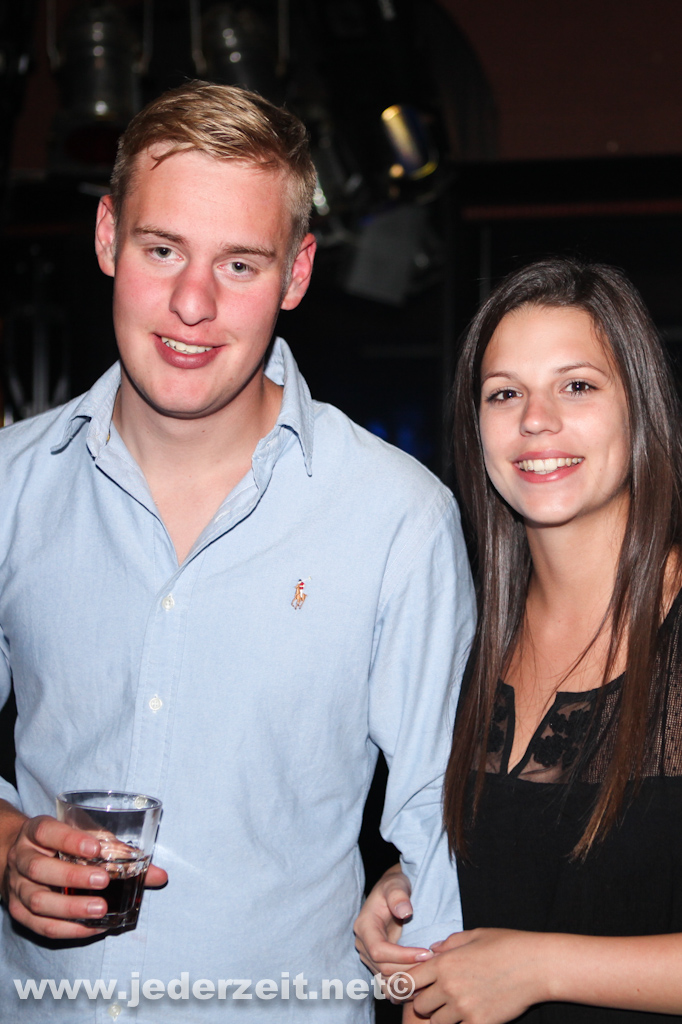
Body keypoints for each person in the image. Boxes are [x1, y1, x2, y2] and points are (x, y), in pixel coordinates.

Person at [0, 82, 475, 1021]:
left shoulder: (400, 518)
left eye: (240, 264)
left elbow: (443, 825)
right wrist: (8, 841)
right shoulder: (11, 486)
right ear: (107, 237)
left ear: (296, 275)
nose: (192, 302)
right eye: (162, 249)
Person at [355, 258, 682, 1022]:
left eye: (577, 386)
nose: (536, 419)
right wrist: (416, 888)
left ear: (640, 406)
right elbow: (533, 858)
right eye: (505, 393)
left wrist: (542, 967)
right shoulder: (466, 635)